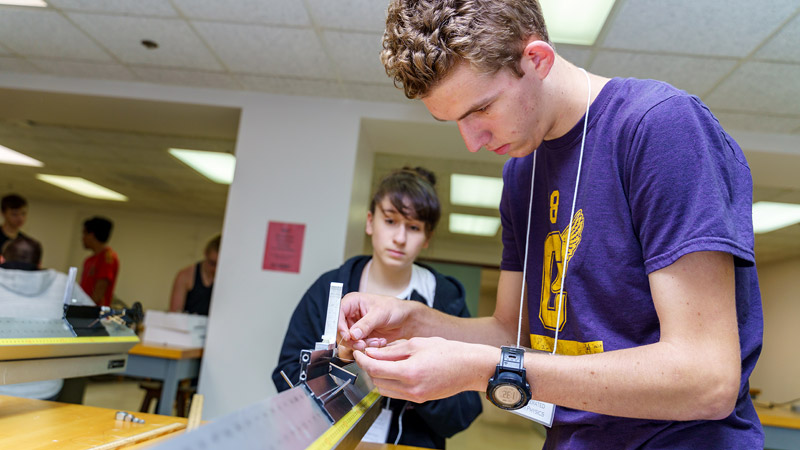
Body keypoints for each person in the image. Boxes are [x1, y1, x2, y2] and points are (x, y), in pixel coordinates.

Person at [337, 1, 763, 448]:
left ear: (536, 59)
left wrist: (484, 369)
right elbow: (514, 332)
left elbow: (706, 379)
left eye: (480, 109)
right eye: (454, 122)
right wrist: (417, 323)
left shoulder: (658, 128)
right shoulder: (522, 172)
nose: (472, 141)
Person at [273, 167, 482, 449]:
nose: (400, 238)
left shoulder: (444, 297)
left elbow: (463, 412)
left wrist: (415, 377)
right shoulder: (330, 288)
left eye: (414, 227)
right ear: (370, 222)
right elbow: (286, 377)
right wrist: (339, 361)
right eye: (390, 220)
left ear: (427, 237)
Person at [0, 235, 95, 400]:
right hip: (46, 390)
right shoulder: (64, 283)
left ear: (2, 259)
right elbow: (96, 320)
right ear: (39, 263)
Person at [169, 234, 220, 315]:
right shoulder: (185, 276)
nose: (215, 269)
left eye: (220, 265)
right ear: (205, 253)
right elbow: (174, 313)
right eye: (212, 263)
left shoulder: (228, 280)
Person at [80, 216, 119, 307]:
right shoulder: (89, 260)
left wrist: (84, 309)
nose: (82, 238)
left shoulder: (107, 258)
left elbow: (99, 291)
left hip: (94, 313)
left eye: (84, 234)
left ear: (92, 235)